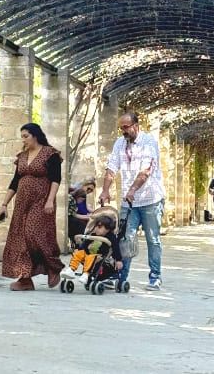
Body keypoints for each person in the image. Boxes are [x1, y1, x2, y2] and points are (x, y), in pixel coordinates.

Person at [98, 112, 165, 291]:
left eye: (126, 127)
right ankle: (120, 276)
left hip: (151, 199)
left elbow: (146, 170)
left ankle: (155, 277)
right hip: (129, 202)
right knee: (125, 239)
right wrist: (105, 190)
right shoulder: (120, 143)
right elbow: (112, 167)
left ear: (136, 125)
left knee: (153, 239)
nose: (123, 131)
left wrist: (133, 190)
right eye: (121, 128)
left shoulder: (148, 142)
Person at [0, 123, 64, 291]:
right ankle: (25, 278)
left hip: (42, 201)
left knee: (34, 234)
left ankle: (53, 267)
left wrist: (50, 200)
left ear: (35, 135)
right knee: (21, 238)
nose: (24, 140)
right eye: (22, 137)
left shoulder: (50, 154)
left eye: (26, 136)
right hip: (22, 203)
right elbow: (15, 181)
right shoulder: (22, 156)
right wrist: (4, 204)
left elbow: (56, 179)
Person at [60, 214, 123, 285]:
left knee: (91, 257)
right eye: (95, 226)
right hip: (87, 254)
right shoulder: (93, 235)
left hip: (99, 257)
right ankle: (71, 270)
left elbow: (116, 248)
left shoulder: (111, 237)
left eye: (99, 227)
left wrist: (118, 260)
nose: (96, 229)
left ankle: (86, 274)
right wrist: (79, 249)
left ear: (107, 229)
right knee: (78, 254)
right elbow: (85, 243)